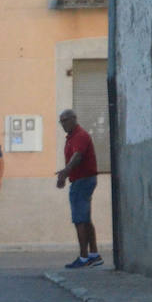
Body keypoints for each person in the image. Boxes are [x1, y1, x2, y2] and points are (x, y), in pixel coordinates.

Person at [56, 109, 103, 268]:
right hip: (81, 180)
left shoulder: (80, 135)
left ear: (74, 119)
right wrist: (66, 174)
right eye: (61, 121)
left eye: (66, 120)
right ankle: (94, 254)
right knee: (85, 218)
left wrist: (64, 173)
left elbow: (77, 156)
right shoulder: (72, 137)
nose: (63, 124)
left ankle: (84, 257)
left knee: (79, 220)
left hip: (83, 181)